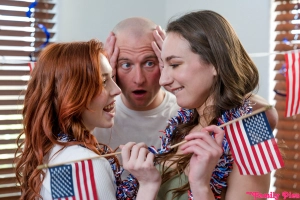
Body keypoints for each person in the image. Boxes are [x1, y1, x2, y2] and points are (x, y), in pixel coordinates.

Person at [124, 10, 280, 200]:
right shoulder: (181, 127)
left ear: (215, 63)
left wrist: (201, 186)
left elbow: (263, 111)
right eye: (163, 66)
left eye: (174, 65)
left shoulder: (251, 128)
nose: (163, 80)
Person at [14, 39, 161, 200]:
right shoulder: (83, 163)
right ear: (72, 94)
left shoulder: (58, 152)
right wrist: (148, 185)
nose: (117, 90)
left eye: (112, 78)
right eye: (103, 81)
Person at [93, 17, 180, 150]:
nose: (139, 79)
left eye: (149, 63)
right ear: (112, 66)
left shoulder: (186, 114)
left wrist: (176, 80)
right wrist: (102, 81)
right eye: (126, 65)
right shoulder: (94, 118)